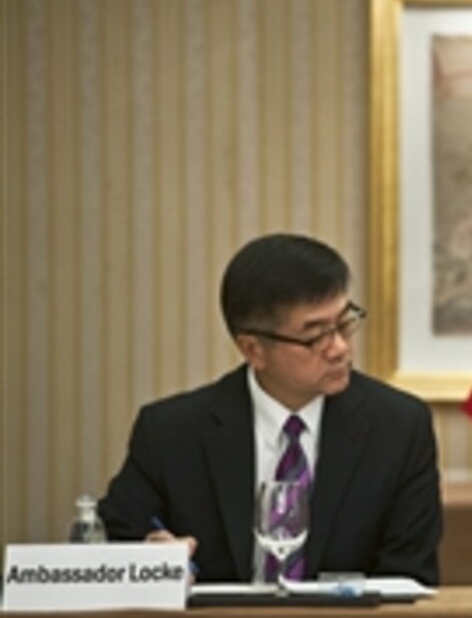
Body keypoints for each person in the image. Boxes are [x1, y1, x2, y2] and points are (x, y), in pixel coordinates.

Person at [99, 233, 443, 585]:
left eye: (344, 324)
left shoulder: (399, 428)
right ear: (253, 349)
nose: (340, 348)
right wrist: (147, 554)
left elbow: (410, 577)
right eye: (315, 336)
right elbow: (114, 537)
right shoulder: (171, 433)